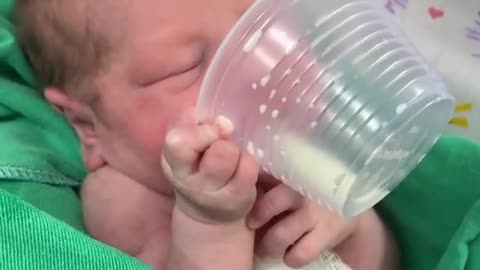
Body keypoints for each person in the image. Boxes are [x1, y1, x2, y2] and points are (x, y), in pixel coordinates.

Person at [13, 0, 397, 269]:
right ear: (89, 126)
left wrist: (352, 223)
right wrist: (209, 223)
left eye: (264, 33)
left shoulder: (308, 147)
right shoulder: (125, 198)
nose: (256, 73)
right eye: (185, 68)